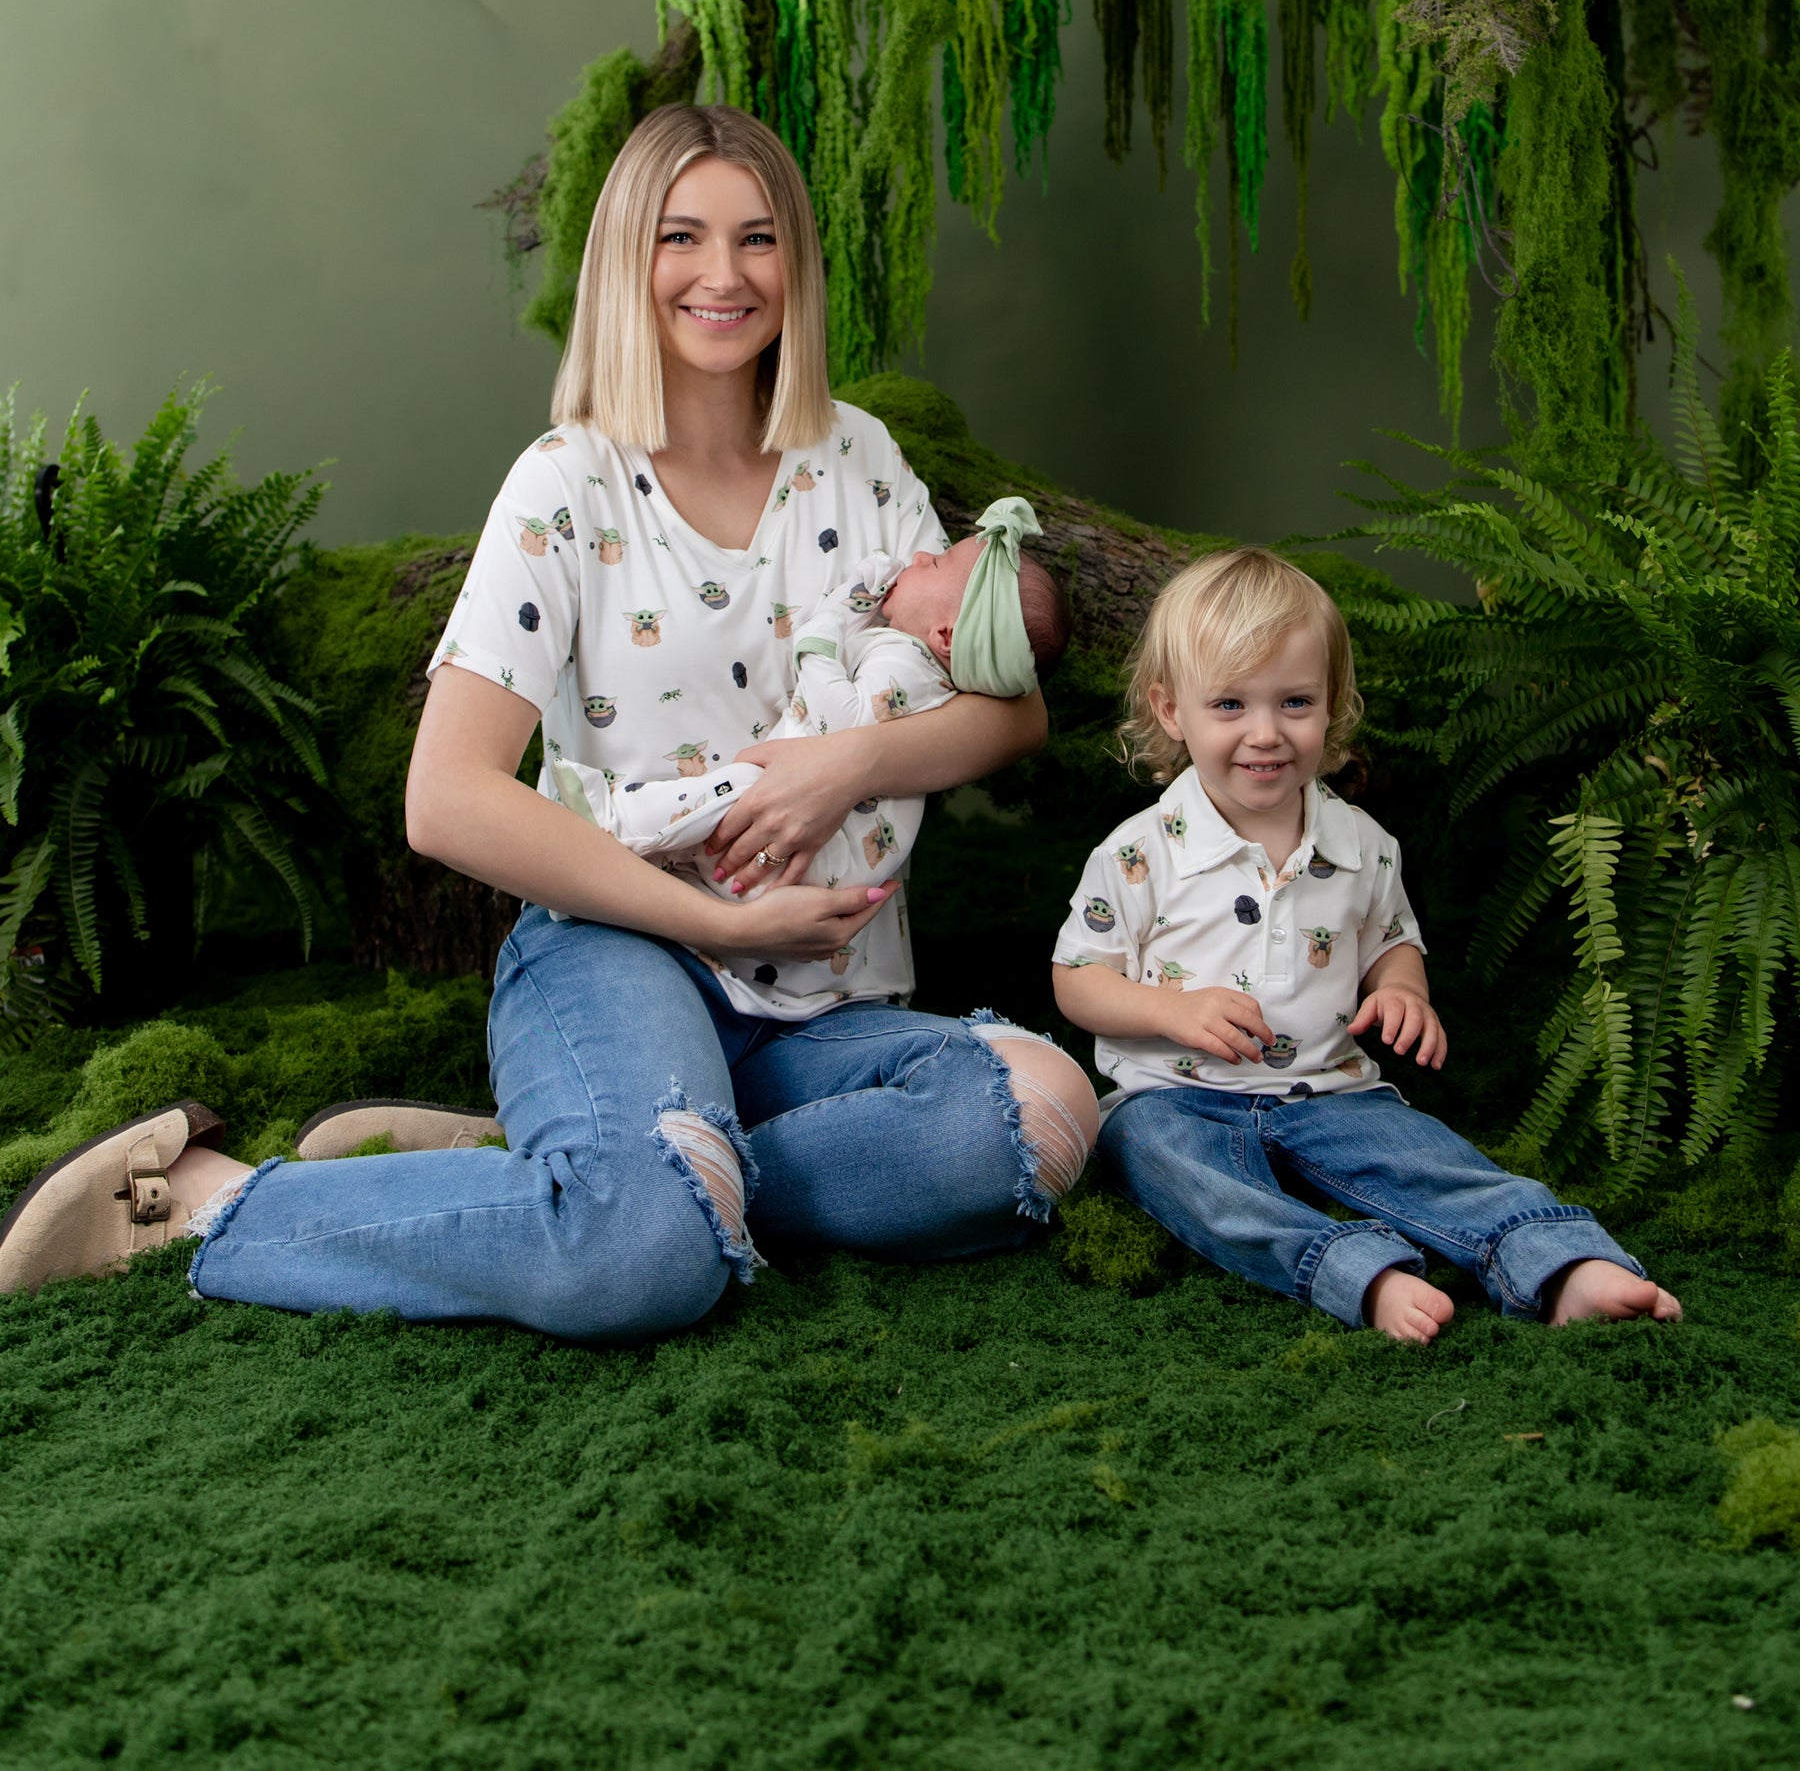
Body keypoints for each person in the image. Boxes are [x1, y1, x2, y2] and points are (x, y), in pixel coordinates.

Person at [0, 106, 1098, 1330]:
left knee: (1044, 1109)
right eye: (682, 237)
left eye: (758, 238)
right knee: (645, 1256)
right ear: (628, 261)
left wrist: (843, 765)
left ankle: (606, 1161)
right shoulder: (566, 483)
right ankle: (207, 1198)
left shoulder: (858, 459)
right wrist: (703, 915)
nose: (724, 276)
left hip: (821, 1004)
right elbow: (446, 798)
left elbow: (1015, 715)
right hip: (614, 951)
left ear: (798, 261)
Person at [1051, 547, 1680, 1344]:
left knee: (1429, 1157)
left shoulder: (1362, 844)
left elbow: (1391, 941)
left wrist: (1403, 992)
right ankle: (1353, 1267)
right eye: (1231, 705)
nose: (1266, 734)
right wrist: (1171, 1011)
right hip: (1173, 1100)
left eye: (1296, 702)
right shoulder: (1142, 851)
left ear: (1334, 706)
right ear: (1172, 711)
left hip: (1331, 1090)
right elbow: (1077, 979)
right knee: (1166, 1167)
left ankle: (1556, 1259)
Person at [546, 499, 1070, 1018]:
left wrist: (818, 645)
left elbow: (842, 718)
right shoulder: (919, 666)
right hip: (808, 864)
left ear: (947, 636)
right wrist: (859, 596)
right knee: (735, 806)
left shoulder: (906, 668)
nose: (914, 560)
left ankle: (616, 820)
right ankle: (633, 855)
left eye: (932, 564)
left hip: (812, 846)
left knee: (740, 787)